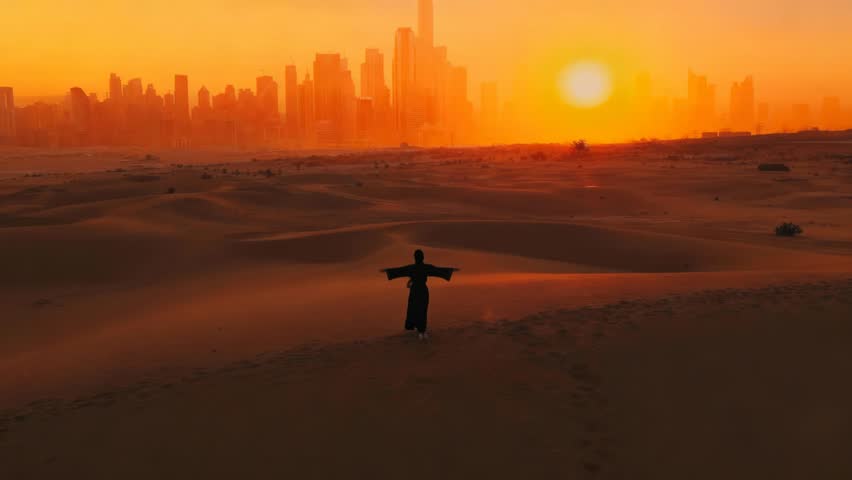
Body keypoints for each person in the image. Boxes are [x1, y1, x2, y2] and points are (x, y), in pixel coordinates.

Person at [381, 250, 458, 340]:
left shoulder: (412, 268)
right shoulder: (425, 267)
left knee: (414, 308)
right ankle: (421, 329)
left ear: (415, 258)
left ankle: (414, 327)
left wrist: (389, 271)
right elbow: (437, 270)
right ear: (422, 257)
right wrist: (450, 270)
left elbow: (401, 270)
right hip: (422, 290)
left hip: (415, 290)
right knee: (421, 309)